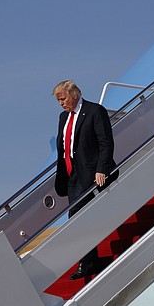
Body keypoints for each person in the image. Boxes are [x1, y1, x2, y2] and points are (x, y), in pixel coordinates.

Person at [52, 80, 117, 280]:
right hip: (71, 176)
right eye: (58, 100)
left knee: (77, 216)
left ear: (74, 95)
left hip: (90, 174)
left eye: (62, 99)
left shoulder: (95, 111)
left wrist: (101, 169)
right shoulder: (63, 117)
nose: (61, 103)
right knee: (79, 217)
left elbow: (106, 142)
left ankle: (87, 261)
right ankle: (89, 259)